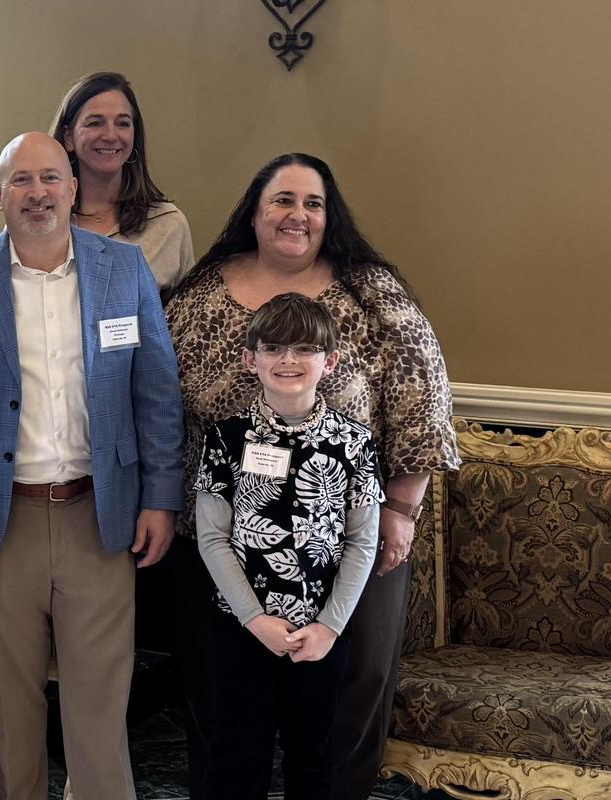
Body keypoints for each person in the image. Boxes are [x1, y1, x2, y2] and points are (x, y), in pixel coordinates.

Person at [164, 153, 458, 800]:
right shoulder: (200, 290)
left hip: (352, 539)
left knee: (337, 717)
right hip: (219, 546)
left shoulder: (369, 290)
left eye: (313, 203)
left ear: (330, 217)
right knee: (223, 716)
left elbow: (424, 392)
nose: (298, 214)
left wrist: (402, 510)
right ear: (254, 210)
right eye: (282, 199)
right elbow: (155, 397)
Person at [0, 133, 184, 800]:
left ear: (73, 188)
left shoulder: (122, 270)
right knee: (10, 710)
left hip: (97, 516)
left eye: (50, 178)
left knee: (99, 708)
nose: (37, 192)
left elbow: (155, 391)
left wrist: (161, 496)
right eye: (21, 180)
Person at [192, 293, 382, 799]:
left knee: (314, 758)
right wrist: (255, 620)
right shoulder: (226, 439)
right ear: (249, 358)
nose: (288, 361)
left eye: (304, 349)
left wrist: (328, 627)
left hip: (322, 630)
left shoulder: (355, 443)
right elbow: (211, 537)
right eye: (273, 348)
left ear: (330, 360)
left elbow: (363, 542)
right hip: (242, 627)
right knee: (236, 756)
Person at [52, 71, 194, 290]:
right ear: (68, 136)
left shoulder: (168, 225)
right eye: (94, 123)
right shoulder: (41, 218)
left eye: (123, 123)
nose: (110, 135)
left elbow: (185, 319)